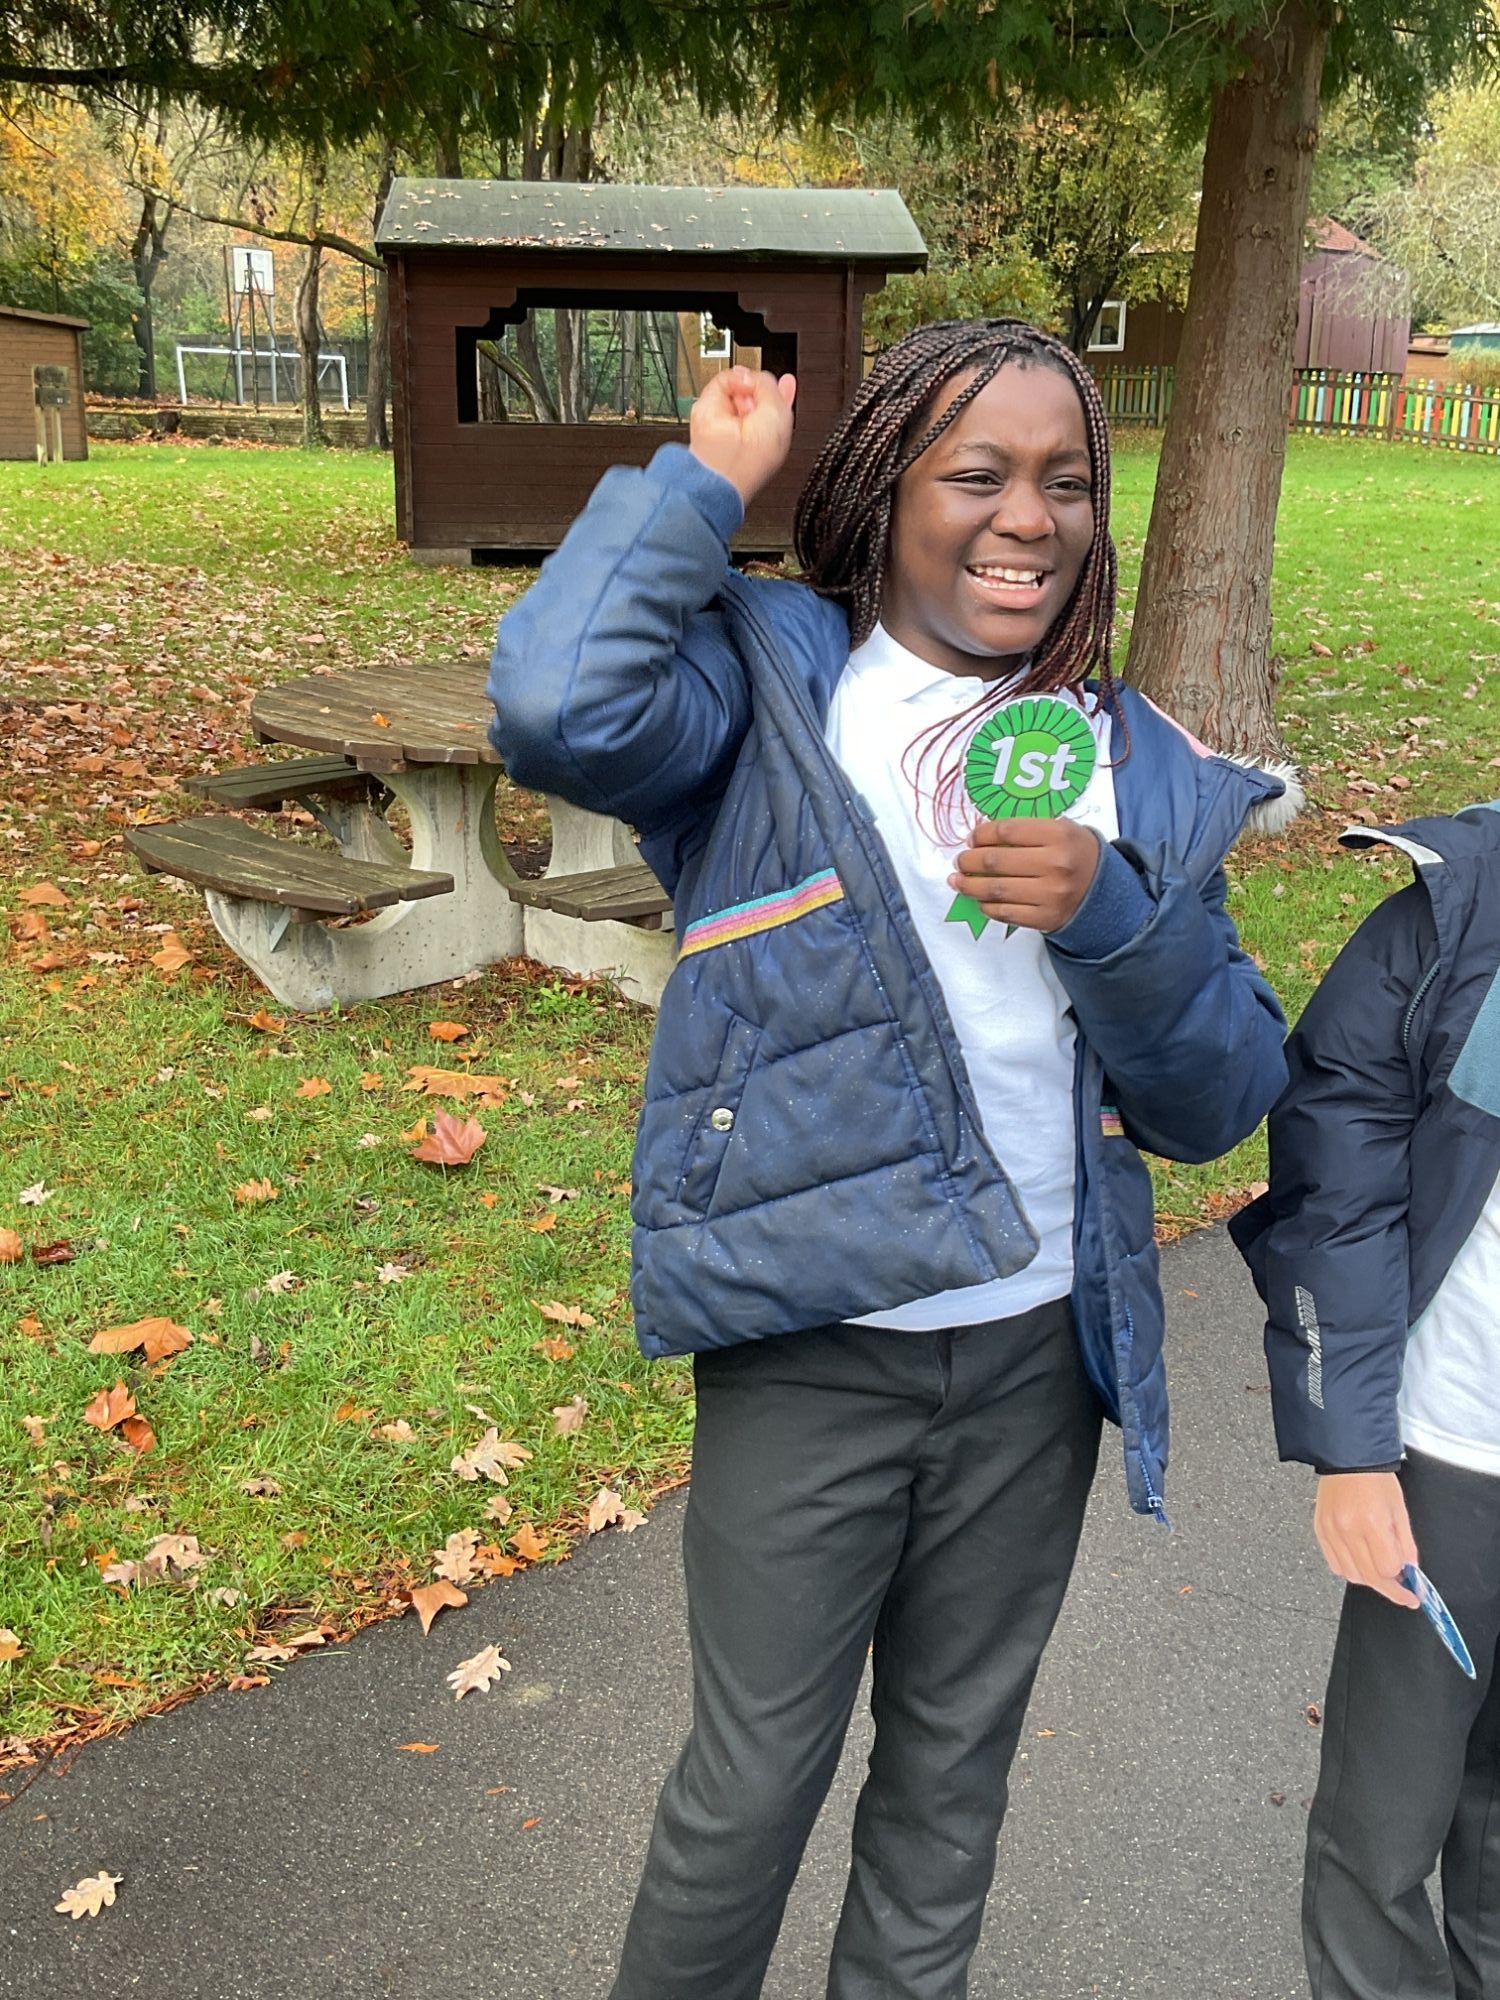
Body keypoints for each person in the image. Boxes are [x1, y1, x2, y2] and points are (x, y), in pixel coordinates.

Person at [489, 319, 1292, 2000]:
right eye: (977, 473)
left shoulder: (1131, 759)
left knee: (948, 1788)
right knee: (748, 1791)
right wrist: (701, 486)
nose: (1029, 518)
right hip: (814, 1351)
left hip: (1033, 1361)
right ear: (884, 492)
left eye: (1065, 481)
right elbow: (557, 705)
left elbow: (1222, 1093)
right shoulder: (776, 694)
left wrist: (1112, 911)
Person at [1232, 804, 1500, 2000]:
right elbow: (1336, 1174)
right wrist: (1352, 1451)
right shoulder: (1459, 912)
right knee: (1382, 1838)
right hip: (1452, 1455)